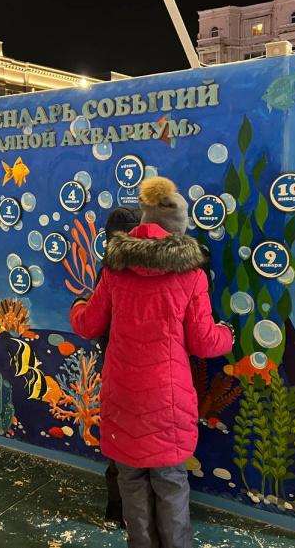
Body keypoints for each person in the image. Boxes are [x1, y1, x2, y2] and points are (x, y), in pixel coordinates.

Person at [70, 177, 233, 548]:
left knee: (130, 481)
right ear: (178, 229)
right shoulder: (190, 275)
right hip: (168, 399)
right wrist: (227, 334)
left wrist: (77, 306)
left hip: (122, 397)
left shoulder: (115, 269)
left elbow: (88, 324)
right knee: (171, 482)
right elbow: (205, 342)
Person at [95, 205, 143, 529]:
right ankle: (140, 512)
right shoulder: (164, 268)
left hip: (116, 365)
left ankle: (117, 508)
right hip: (153, 370)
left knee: (118, 439)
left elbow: (95, 321)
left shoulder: (108, 270)